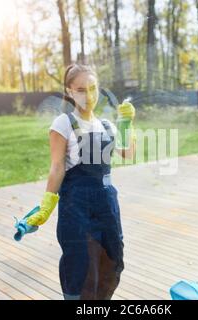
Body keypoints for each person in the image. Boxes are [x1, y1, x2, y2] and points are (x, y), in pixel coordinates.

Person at [27, 63, 136, 300]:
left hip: (107, 207)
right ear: (69, 91)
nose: (89, 95)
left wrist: (127, 125)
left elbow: (129, 154)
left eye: (93, 88)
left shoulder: (107, 125)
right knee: (81, 268)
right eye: (81, 90)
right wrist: (46, 207)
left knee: (113, 262)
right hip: (76, 209)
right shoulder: (63, 123)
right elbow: (57, 168)